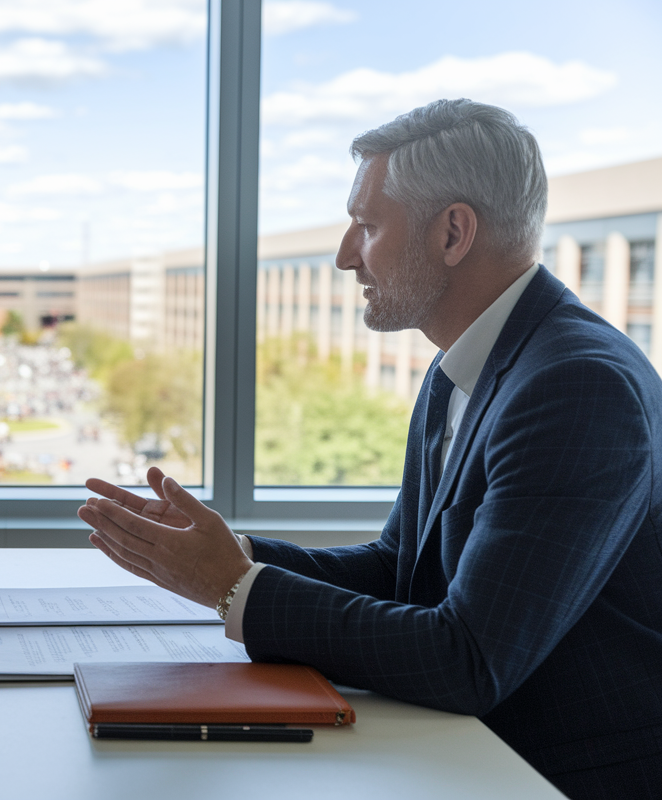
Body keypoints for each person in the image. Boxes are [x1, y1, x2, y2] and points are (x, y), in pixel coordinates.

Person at [79, 99, 662, 799]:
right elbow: (399, 571)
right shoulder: (465, 367)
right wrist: (229, 552)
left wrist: (231, 587)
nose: (345, 256)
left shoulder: (576, 385)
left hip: (553, 775)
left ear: (454, 232)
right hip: (469, 754)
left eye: (368, 225)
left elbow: (470, 659)